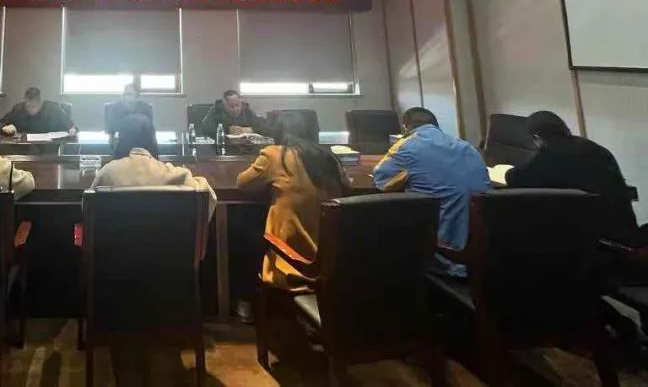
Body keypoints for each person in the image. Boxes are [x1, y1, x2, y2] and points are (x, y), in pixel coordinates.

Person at [237, 110, 349, 291]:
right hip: (333, 264)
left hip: (294, 265)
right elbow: (347, 187)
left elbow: (243, 183)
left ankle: (243, 297)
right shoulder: (330, 158)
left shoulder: (275, 155)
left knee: (241, 231)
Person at [372, 107, 490, 277]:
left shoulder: (406, 146)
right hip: (484, 251)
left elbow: (381, 181)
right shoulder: (468, 147)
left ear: (405, 128)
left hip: (443, 253)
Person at [507, 110, 639, 244]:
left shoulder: (549, 155)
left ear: (536, 137)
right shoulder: (594, 148)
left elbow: (515, 179)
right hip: (623, 230)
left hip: (592, 239)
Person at [93, 114, 217, 219]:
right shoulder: (177, 175)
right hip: (169, 241)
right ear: (153, 141)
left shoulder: (107, 172)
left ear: (120, 142)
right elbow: (206, 198)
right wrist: (200, 180)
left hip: (117, 240)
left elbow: (89, 210)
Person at [1, 87, 76, 136]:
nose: (30, 109)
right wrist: (4, 127)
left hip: (49, 148)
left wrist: (72, 129)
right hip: (24, 148)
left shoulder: (53, 109)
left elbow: (70, 125)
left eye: (33, 106)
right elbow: (1, 123)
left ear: (41, 103)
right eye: (27, 106)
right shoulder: (18, 109)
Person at [199, 89, 264, 138]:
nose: (235, 109)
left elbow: (264, 126)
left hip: (244, 146)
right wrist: (228, 129)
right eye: (231, 106)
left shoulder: (246, 110)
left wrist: (251, 129)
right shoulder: (216, 110)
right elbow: (205, 128)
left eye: (237, 105)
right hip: (223, 145)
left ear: (240, 102)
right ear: (224, 105)